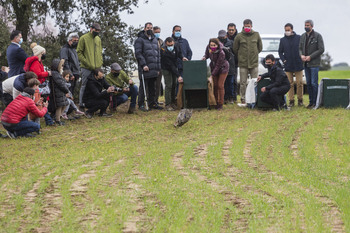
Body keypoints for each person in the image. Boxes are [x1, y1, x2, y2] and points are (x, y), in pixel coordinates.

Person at [134, 22, 162, 111]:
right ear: (144, 28)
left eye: (151, 28)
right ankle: (141, 104)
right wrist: (144, 64)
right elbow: (138, 53)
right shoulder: (139, 40)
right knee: (143, 87)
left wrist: (158, 67)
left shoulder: (154, 40)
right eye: (148, 27)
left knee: (152, 87)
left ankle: (152, 103)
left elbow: (158, 54)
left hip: (154, 67)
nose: (149, 29)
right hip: (145, 67)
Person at [233, 19, 262, 104]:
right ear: (243, 26)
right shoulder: (239, 36)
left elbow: (260, 48)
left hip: (254, 63)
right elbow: (235, 48)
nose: (247, 27)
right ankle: (243, 98)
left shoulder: (256, 35)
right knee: (243, 82)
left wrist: (254, 54)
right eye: (246, 26)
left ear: (251, 26)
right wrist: (241, 56)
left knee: (254, 81)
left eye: (248, 26)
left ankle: (254, 98)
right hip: (243, 63)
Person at [299, 19, 325, 109]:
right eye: (305, 25)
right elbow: (300, 48)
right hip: (305, 64)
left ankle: (316, 102)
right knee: (309, 83)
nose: (306, 27)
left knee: (314, 83)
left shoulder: (317, 36)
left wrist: (311, 56)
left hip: (314, 63)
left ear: (312, 26)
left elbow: (321, 49)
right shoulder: (302, 36)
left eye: (308, 25)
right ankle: (311, 102)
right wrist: (301, 55)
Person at [77, 23, 103, 110]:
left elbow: (100, 52)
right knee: (84, 85)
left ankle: (93, 104)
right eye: (96, 30)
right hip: (86, 67)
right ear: (91, 29)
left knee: (97, 86)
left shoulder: (98, 39)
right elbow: (79, 52)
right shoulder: (83, 38)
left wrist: (100, 62)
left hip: (97, 68)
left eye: (99, 31)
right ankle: (81, 104)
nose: (97, 32)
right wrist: (87, 63)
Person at [278, 23, 304, 107]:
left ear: (292, 29)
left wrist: (301, 57)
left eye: (288, 30)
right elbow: (280, 52)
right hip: (288, 65)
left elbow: (302, 49)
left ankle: (300, 100)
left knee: (300, 83)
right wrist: (283, 60)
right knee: (289, 84)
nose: (287, 32)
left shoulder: (298, 38)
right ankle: (291, 101)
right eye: (286, 30)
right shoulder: (283, 40)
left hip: (298, 64)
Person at [160, 37, 187, 111]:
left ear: (174, 43)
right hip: (166, 68)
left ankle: (173, 102)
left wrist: (182, 58)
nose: (170, 46)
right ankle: (168, 104)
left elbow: (179, 53)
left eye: (172, 44)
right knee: (169, 85)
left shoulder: (177, 46)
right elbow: (170, 65)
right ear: (166, 44)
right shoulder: (163, 51)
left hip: (174, 66)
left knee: (174, 84)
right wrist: (178, 75)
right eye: (169, 45)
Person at [202, 38, 229, 110]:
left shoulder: (221, 53)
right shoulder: (208, 48)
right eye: (211, 45)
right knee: (215, 86)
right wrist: (204, 57)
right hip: (213, 67)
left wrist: (212, 75)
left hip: (223, 68)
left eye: (214, 45)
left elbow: (218, 65)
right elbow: (207, 54)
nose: (212, 47)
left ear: (217, 45)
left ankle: (220, 103)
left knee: (220, 85)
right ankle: (215, 102)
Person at [49, 59, 69, 125]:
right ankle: (57, 120)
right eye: (61, 66)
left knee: (64, 104)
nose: (62, 67)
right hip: (57, 93)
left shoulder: (57, 74)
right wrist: (66, 90)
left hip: (60, 93)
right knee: (59, 107)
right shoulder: (55, 74)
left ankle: (57, 118)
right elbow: (61, 84)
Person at [218, 30, 236, 104]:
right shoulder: (216, 43)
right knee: (223, 84)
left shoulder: (231, 42)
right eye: (221, 36)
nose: (222, 37)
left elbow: (235, 53)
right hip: (221, 66)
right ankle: (224, 98)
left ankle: (231, 98)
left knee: (230, 83)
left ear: (226, 35)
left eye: (224, 36)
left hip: (230, 65)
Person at [227, 23, 238, 102]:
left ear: (235, 29)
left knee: (234, 81)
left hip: (236, 62)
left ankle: (234, 97)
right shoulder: (225, 37)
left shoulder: (238, 37)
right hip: (226, 62)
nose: (231, 31)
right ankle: (227, 97)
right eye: (229, 30)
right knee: (227, 81)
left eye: (232, 30)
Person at [153, 26, 163, 105]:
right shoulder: (150, 41)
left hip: (160, 65)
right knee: (152, 84)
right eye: (156, 32)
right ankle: (151, 100)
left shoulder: (161, 41)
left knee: (158, 84)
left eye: (158, 32)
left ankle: (156, 100)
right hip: (152, 66)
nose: (157, 34)